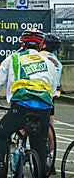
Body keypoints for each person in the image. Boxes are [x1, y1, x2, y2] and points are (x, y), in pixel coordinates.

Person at [0, 28, 57, 178]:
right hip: (44, 109)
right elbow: (53, 89)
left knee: (0, 134)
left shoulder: (14, 58)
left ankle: (0, 172)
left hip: (21, 107)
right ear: (41, 45)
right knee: (39, 146)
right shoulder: (49, 64)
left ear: (22, 44)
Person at [40, 33, 63, 175]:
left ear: (44, 44)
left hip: (35, 94)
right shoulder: (57, 62)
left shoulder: (38, 57)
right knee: (49, 128)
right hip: (50, 97)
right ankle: (51, 159)